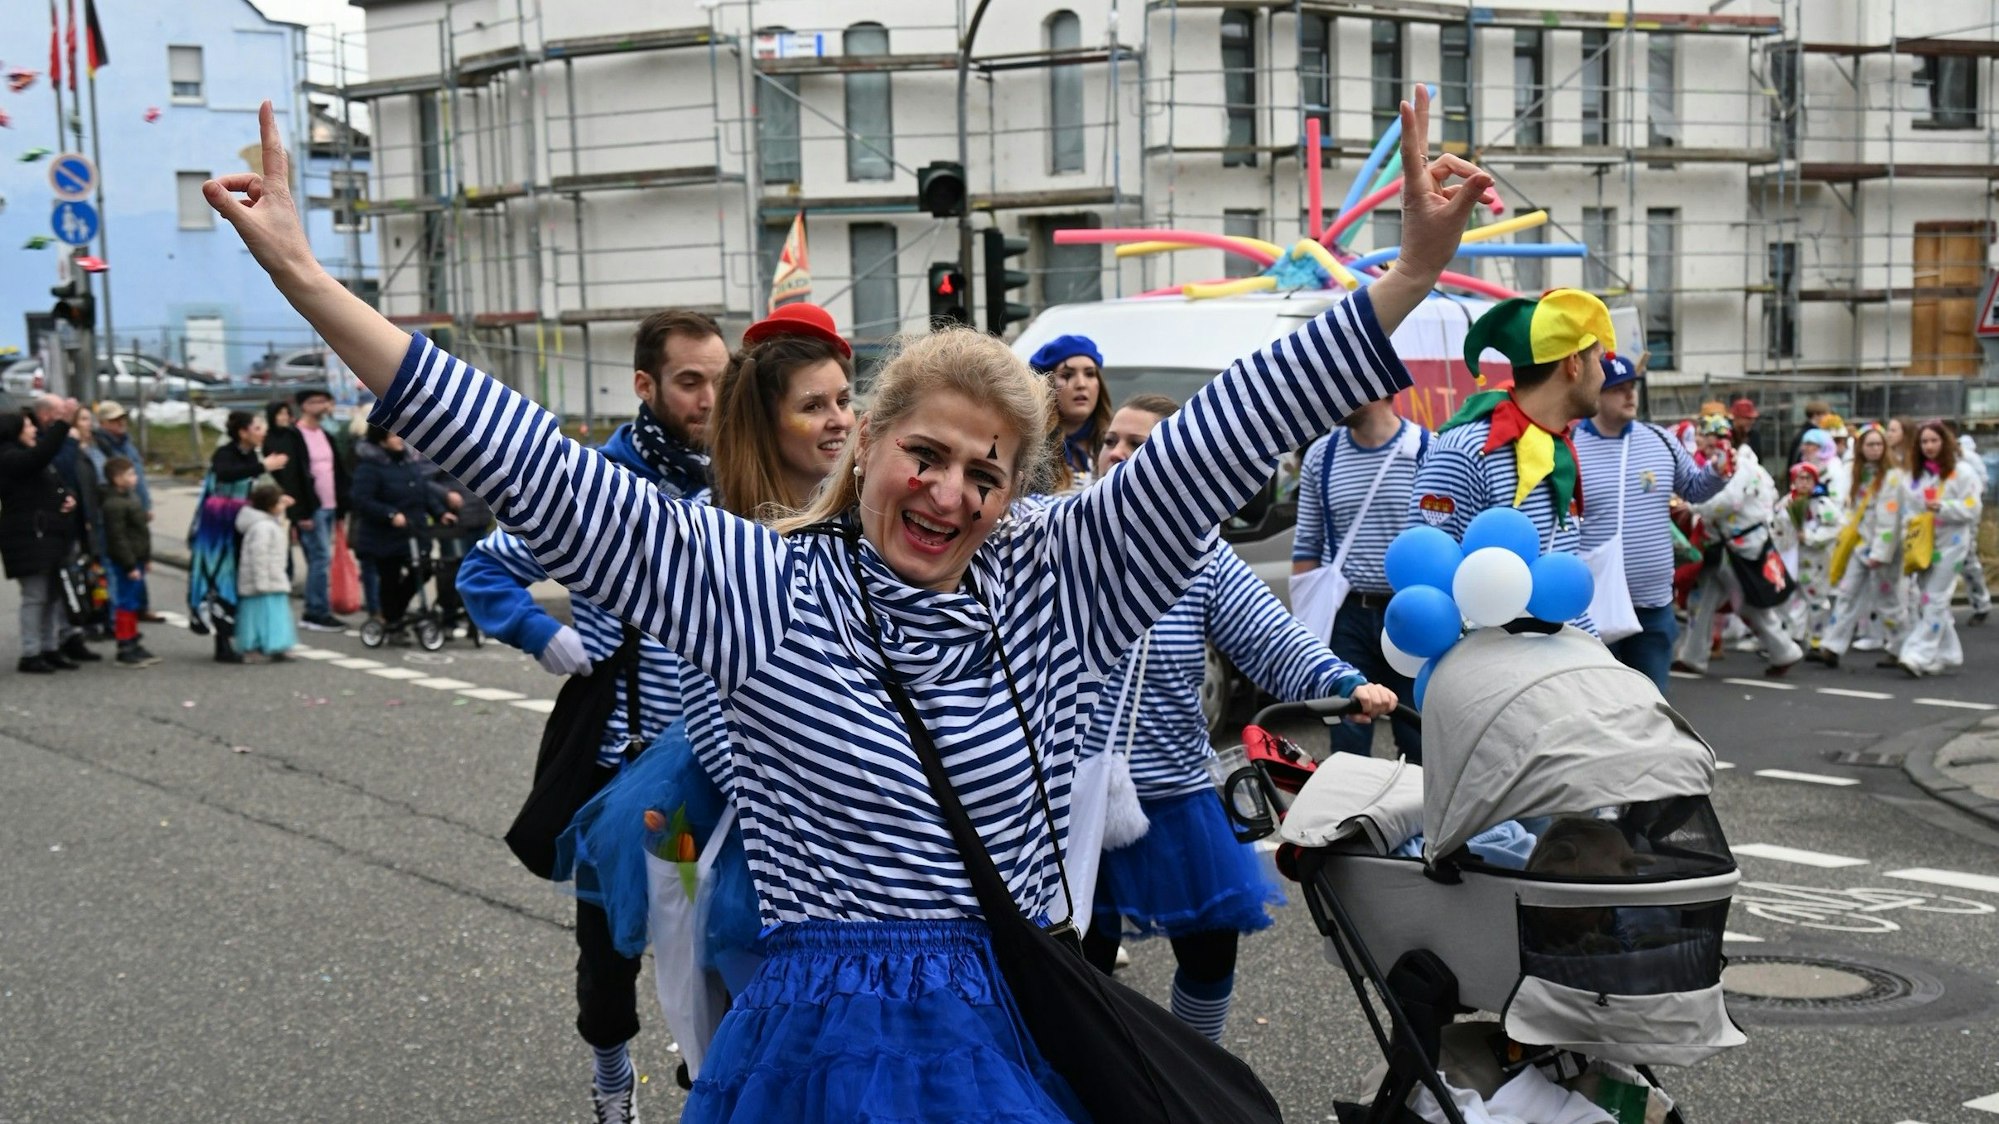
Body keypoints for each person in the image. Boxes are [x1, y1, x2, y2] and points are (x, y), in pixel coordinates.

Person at [205, 89, 1463, 1121]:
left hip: (1026, 1013)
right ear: (865, 449)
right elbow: (534, 463)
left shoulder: (1060, 576)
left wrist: (1405, 277)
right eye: (926, 452)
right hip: (824, 1044)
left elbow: (1223, 430)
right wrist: (317, 286)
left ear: (1018, 490)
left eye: (988, 472)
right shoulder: (755, 583)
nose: (950, 490)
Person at [454, 306, 729, 1122]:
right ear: (645, 386)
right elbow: (487, 569)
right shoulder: (594, 486)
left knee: (708, 937)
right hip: (622, 766)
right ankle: (612, 1075)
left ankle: (706, 1082)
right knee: (610, 947)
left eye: (721, 379)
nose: (710, 398)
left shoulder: (739, 475)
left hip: (713, 763)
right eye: (690, 382)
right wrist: (542, 633)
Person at [1077, 392, 1395, 1044]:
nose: (1117, 453)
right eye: (1113, 441)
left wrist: (1344, 681)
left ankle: (1195, 1074)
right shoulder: (1062, 530)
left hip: (1175, 790)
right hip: (1070, 793)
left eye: (1138, 444)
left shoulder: (1200, 552)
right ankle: (1092, 1081)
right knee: (1082, 957)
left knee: (1210, 953)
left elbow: (1269, 637)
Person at [1409, 288, 1615, 630]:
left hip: (1563, 660)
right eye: (1599, 359)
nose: (1605, 375)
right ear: (1574, 364)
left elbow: (1559, 580)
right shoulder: (1466, 450)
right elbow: (1427, 573)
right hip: (1495, 670)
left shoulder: (1559, 448)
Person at [1571, 354, 1726, 692]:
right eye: (1618, 389)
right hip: (1593, 606)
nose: (1630, 396)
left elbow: (1693, 489)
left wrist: (1717, 473)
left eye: (1632, 387)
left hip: (1652, 604)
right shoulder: (1569, 446)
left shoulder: (1659, 439)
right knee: (1601, 701)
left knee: (1654, 703)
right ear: (1595, 393)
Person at [1292, 395, 1427, 756]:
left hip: (1411, 615)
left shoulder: (1426, 449)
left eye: (1346, 386)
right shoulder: (1322, 455)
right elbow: (1307, 542)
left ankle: (1418, 813)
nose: (1332, 395)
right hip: (1348, 614)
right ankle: (1352, 811)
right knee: (1348, 731)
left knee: (1418, 734)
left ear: (1381, 388)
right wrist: (1307, 622)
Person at [1671, 414, 1803, 676]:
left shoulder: (1742, 467)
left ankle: (1783, 650)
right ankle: (1693, 656)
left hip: (1741, 547)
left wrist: (1693, 506)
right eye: (1705, 441)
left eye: (1713, 440)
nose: (1707, 446)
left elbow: (1727, 502)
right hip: (1722, 546)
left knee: (1747, 603)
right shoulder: (1723, 466)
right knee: (1702, 599)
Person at [708, 308, 855, 517]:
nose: (840, 421)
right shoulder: (723, 537)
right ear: (762, 422)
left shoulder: (864, 523)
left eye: (842, 401)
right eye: (812, 406)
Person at [189, 409, 289, 663]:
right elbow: (225, 474)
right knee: (220, 578)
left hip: (241, 521)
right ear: (242, 432)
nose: (262, 432)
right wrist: (262, 466)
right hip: (219, 525)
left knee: (241, 578)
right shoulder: (225, 453)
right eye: (257, 428)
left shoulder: (251, 455)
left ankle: (252, 637)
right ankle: (222, 643)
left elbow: (255, 483)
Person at [1894, 421, 1983, 677]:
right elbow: (1907, 510)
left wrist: (1943, 507)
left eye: (1934, 441)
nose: (1929, 446)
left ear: (1945, 442)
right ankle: (1947, 652)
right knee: (1928, 599)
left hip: (1952, 544)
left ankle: (1916, 654)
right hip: (1922, 544)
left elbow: (1973, 508)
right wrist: (1907, 532)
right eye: (1924, 442)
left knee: (1934, 598)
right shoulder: (1915, 477)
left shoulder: (1963, 472)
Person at [349, 426, 455, 639]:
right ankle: (393, 621)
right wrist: (389, 514)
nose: (400, 439)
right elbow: (362, 499)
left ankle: (395, 613)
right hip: (384, 535)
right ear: (381, 440)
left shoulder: (408, 462)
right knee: (389, 578)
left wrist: (441, 512)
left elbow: (422, 492)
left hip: (414, 532)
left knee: (424, 570)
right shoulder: (370, 466)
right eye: (393, 435)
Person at [1818, 424, 1907, 669]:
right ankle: (1832, 645)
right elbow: (1852, 510)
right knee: (1847, 593)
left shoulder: (1892, 477)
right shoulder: (1859, 473)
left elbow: (1890, 518)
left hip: (1884, 547)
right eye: (1870, 444)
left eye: (1879, 444)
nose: (1875, 449)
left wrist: (1880, 552)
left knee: (1887, 599)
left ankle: (1902, 646)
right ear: (1861, 448)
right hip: (1862, 542)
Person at [1, 405, 82, 672]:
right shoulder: (9, 457)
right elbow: (41, 457)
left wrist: (67, 497)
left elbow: (51, 482)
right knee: (35, 595)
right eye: (28, 426)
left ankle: (50, 646)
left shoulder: (27, 456)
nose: (34, 430)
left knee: (51, 595)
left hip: (47, 535)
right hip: (28, 538)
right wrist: (63, 425)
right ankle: (30, 652)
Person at [266, 388, 352, 630]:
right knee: (319, 559)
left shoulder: (325, 434)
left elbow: (337, 471)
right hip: (310, 509)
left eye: (325, 401)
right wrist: (300, 514)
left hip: (329, 506)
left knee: (321, 559)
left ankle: (318, 607)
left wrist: (342, 505)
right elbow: (293, 478)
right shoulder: (294, 437)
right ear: (304, 406)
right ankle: (315, 611)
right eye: (317, 402)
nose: (324, 406)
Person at [91, 401, 162, 624]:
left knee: (139, 555)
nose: (121, 423)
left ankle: (141, 607)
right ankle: (118, 620)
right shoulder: (100, 446)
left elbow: (139, 478)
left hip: (134, 507)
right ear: (102, 423)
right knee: (121, 564)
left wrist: (146, 505)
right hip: (119, 511)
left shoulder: (127, 444)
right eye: (114, 420)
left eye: (122, 418)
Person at [99, 456, 161, 668]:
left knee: (133, 602)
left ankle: (133, 640)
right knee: (126, 602)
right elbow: (118, 538)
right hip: (128, 562)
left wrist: (145, 558)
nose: (135, 478)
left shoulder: (129, 498)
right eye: (130, 474)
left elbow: (139, 534)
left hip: (137, 558)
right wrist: (129, 564)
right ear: (117, 479)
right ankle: (125, 645)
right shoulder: (114, 505)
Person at [1030, 334, 1111, 490]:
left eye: (1089, 374)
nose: (1081, 384)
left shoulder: (1117, 442)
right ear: (1047, 385)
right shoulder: (1032, 449)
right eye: (1067, 375)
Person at [1775, 462, 1840, 654]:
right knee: (1790, 600)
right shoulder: (1786, 503)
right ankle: (1792, 637)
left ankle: (1817, 638)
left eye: (1808, 479)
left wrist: (1811, 537)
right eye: (1799, 478)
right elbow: (1775, 527)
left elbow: (1835, 527)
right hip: (1791, 559)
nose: (1803, 483)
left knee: (1817, 600)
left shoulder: (1822, 504)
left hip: (1815, 562)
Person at [234, 482, 299, 662]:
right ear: (270, 507)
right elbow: (258, 556)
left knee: (274, 613)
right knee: (261, 615)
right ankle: (256, 646)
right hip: (264, 580)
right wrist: (261, 581)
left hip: (273, 577)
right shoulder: (262, 528)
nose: (281, 506)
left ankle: (277, 644)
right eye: (279, 503)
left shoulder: (269, 523)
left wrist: (284, 506)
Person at [1947, 425, 1990, 626]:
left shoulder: (1966, 461)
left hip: (1964, 515)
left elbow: (1981, 484)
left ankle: (1981, 604)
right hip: (1941, 519)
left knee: (1967, 559)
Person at [1787, 399, 1832, 468]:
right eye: (1825, 414)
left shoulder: (1808, 431)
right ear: (1816, 415)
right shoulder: (1810, 435)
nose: (1828, 418)